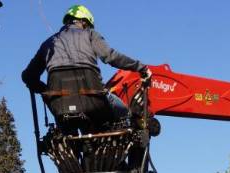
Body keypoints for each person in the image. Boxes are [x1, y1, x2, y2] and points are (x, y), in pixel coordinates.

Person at [22, 5, 151, 131]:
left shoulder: (49, 43)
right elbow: (111, 56)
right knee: (126, 113)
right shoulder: (90, 35)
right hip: (95, 101)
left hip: (59, 105)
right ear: (84, 22)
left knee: (67, 129)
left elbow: (28, 76)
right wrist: (141, 68)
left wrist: (47, 91)